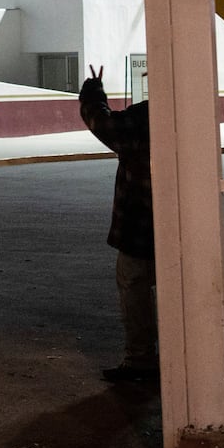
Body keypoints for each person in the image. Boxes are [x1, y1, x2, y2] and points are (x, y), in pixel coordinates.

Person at [79, 64, 157, 384]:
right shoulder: (194, 116)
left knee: (135, 286)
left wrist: (93, 95)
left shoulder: (145, 117)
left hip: (141, 222)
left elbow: (105, 125)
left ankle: (141, 359)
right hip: (182, 223)